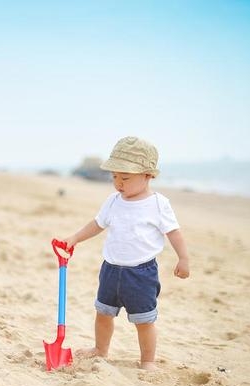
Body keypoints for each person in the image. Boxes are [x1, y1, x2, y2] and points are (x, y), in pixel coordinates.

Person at [58, 136, 190, 371]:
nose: (118, 183)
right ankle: (101, 349)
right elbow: (97, 224)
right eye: (114, 177)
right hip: (110, 269)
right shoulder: (113, 201)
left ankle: (147, 360)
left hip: (141, 273)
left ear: (148, 175)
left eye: (125, 177)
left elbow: (174, 232)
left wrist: (183, 258)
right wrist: (75, 238)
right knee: (103, 313)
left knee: (144, 321)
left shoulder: (158, 204)